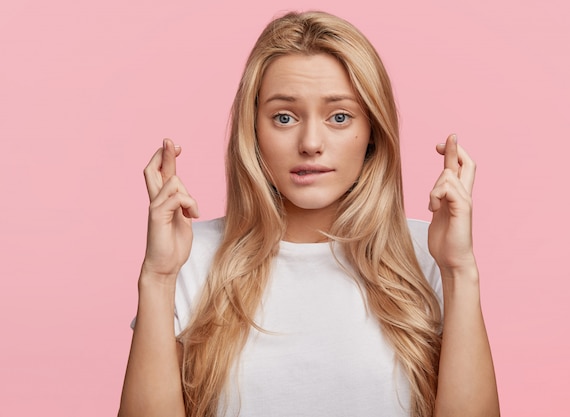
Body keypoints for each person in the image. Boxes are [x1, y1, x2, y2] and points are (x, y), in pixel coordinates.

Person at [118, 10, 499, 417]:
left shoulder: (431, 256)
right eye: (284, 117)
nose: (311, 142)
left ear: (372, 132)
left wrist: (459, 270)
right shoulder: (189, 258)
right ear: (253, 131)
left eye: (339, 117)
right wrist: (158, 277)